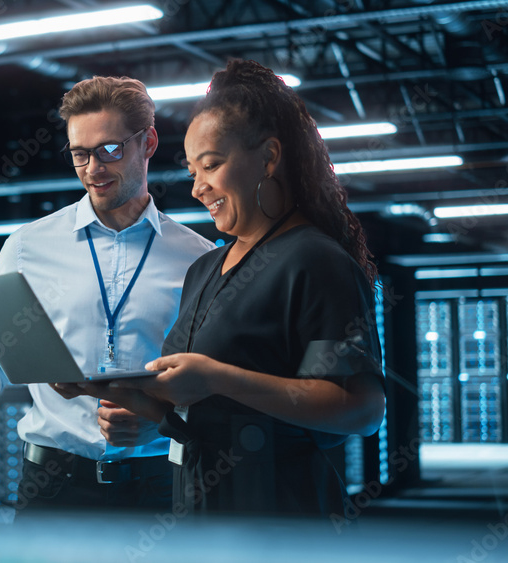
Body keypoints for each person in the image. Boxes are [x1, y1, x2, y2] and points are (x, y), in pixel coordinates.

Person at [55, 59, 386, 518]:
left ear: (269, 158)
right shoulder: (206, 267)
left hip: (282, 519)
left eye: (211, 165)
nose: (198, 188)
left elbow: (361, 410)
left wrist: (216, 376)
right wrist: (119, 396)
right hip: (199, 514)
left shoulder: (315, 260)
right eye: (192, 171)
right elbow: (199, 413)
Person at [0, 76, 216, 511]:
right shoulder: (25, 248)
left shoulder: (200, 258)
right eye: (79, 154)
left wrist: (161, 422)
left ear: (147, 143)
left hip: (160, 487)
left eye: (110, 150)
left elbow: (215, 388)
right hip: (51, 489)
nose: (93, 168)